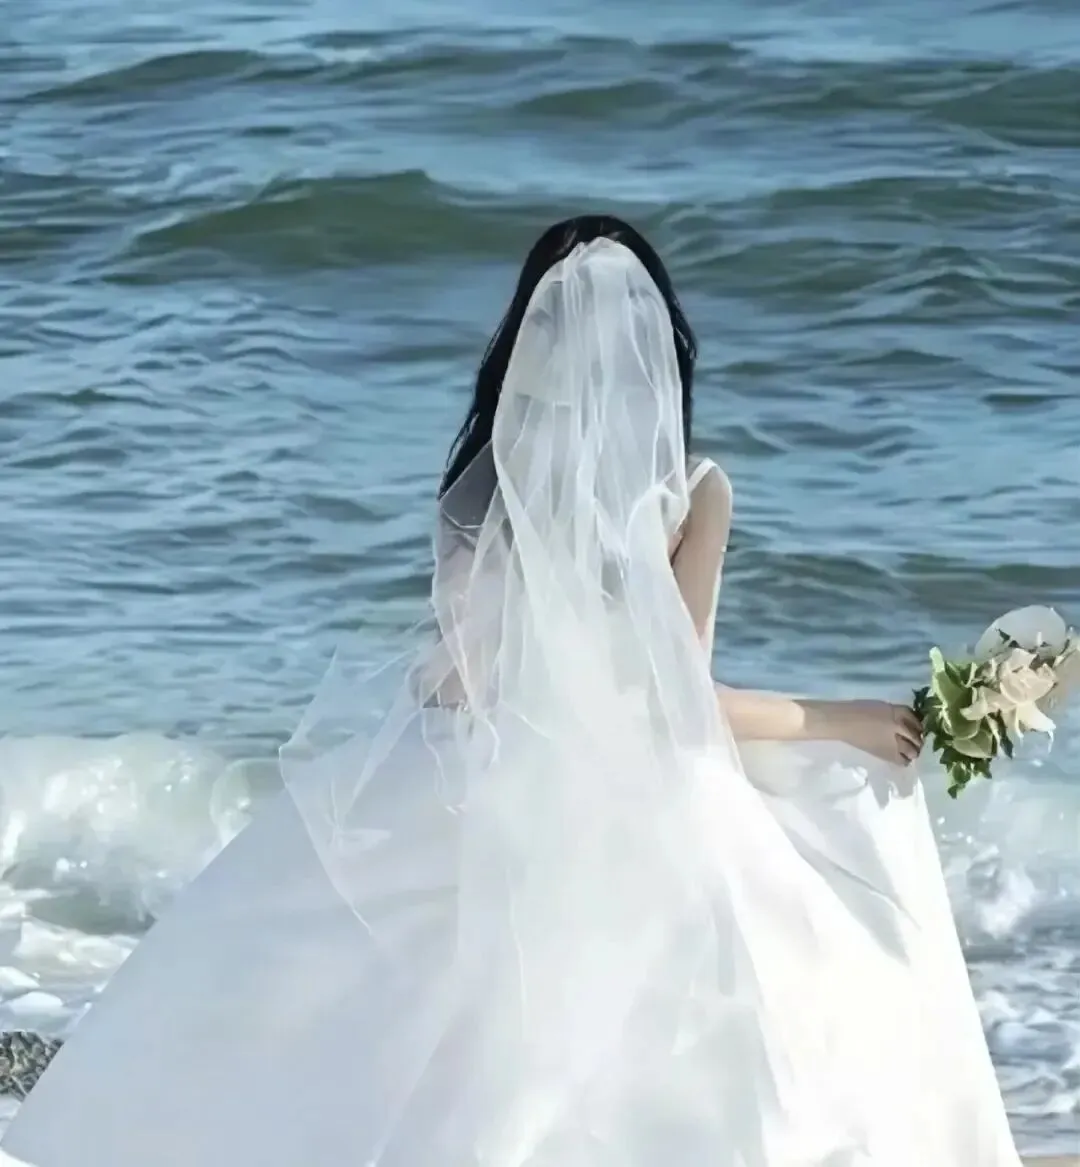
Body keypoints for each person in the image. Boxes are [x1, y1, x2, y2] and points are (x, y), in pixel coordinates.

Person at [0, 216, 1023, 1167]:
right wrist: (836, 719)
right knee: (801, 893)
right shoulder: (695, 491)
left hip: (455, 763)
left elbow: (489, 679)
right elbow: (675, 706)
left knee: (333, 997)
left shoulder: (482, 486)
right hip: (610, 777)